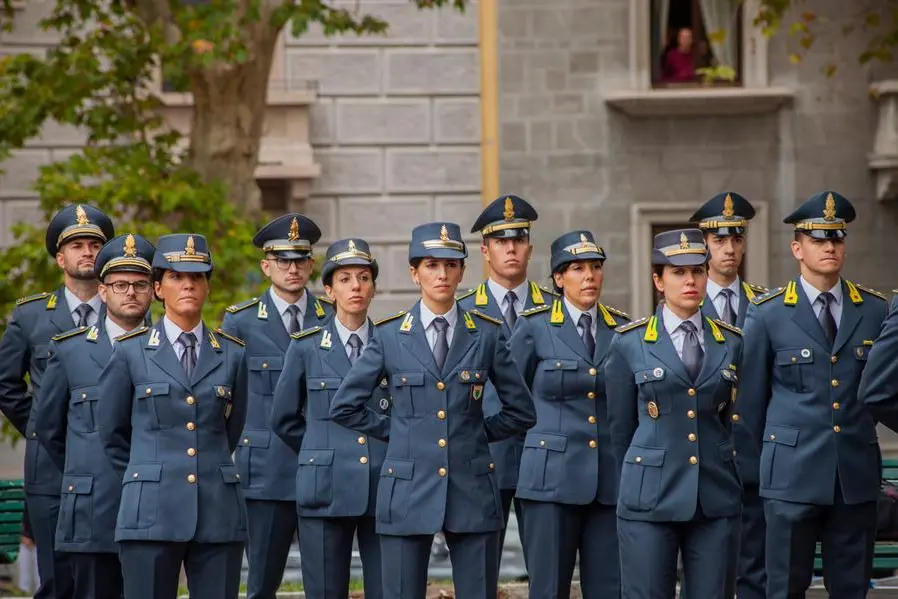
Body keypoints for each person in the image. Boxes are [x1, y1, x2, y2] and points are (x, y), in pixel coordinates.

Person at [329, 222, 536, 599]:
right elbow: (344, 405)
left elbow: (522, 411)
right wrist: (399, 432)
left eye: (451, 264)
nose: (441, 274)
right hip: (407, 485)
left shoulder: (485, 334)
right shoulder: (390, 335)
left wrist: (475, 431)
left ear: (462, 270)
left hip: (471, 486)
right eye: (430, 265)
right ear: (414, 272)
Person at [739, 191, 888, 599]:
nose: (829, 248)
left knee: (851, 588)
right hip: (789, 476)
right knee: (785, 587)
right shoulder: (768, 312)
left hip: (853, 475)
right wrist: (759, 480)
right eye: (819, 240)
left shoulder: (874, 311)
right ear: (797, 248)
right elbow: (749, 405)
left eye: (836, 240)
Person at [97, 233, 249, 599]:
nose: (188, 285)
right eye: (177, 277)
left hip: (216, 510)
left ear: (207, 287)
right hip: (150, 511)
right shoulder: (131, 353)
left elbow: (233, 427)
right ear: (158, 288)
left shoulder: (231, 354)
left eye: (197, 277)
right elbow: (111, 433)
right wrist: (148, 474)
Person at [606, 228, 743, 599]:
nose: (690, 281)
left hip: (713, 494)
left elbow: (728, 418)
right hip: (650, 496)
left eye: (698, 271)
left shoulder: (730, 341)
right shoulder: (629, 342)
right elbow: (620, 429)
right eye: (678, 272)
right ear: (658, 280)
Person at [0, 203, 114, 599]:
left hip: (110, 463)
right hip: (51, 464)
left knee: (107, 576)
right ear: (60, 257)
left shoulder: (129, 314)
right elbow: (7, 384)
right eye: (77, 245)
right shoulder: (31, 316)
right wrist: (42, 427)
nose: (87, 252)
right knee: (57, 578)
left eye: (95, 244)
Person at [507, 230, 629, 599]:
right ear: (559, 278)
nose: (589, 276)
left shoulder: (622, 329)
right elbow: (511, 397)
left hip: (608, 480)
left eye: (595, 267)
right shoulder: (533, 326)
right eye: (577, 268)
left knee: (610, 587)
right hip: (549, 481)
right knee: (548, 588)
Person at [34, 233, 155, 599]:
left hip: (154, 507)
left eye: (140, 284)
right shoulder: (70, 352)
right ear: (102, 291)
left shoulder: (168, 349)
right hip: (92, 506)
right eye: (120, 284)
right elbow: (49, 430)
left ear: (154, 291)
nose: (130, 293)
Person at [221, 213, 333, 599]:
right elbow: (227, 399)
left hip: (323, 467)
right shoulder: (241, 322)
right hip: (265, 472)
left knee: (326, 583)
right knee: (261, 584)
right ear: (266, 266)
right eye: (283, 260)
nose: (293, 268)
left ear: (312, 265)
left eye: (301, 259)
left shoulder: (331, 317)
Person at [270, 237, 389, 599]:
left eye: (364, 278)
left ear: (373, 288)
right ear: (328, 290)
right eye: (345, 279)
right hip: (325, 486)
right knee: (324, 590)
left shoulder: (394, 341)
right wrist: (317, 451)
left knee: (389, 589)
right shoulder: (306, 346)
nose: (356, 286)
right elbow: (284, 417)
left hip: (382, 483)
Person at [457, 194, 556, 571]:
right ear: (485, 250)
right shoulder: (464, 312)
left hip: (545, 454)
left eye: (518, 240)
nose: (510, 248)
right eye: (501, 241)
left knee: (547, 573)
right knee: (479, 571)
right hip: (485, 454)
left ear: (529, 247)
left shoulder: (555, 310)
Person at [690, 191, 768, 599]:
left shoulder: (766, 306)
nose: (730, 249)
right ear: (703, 244)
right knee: (704, 574)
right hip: (700, 457)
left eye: (736, 239)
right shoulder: (683, 307)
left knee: (755, 571)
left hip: (753, 455)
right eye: (719, 240)